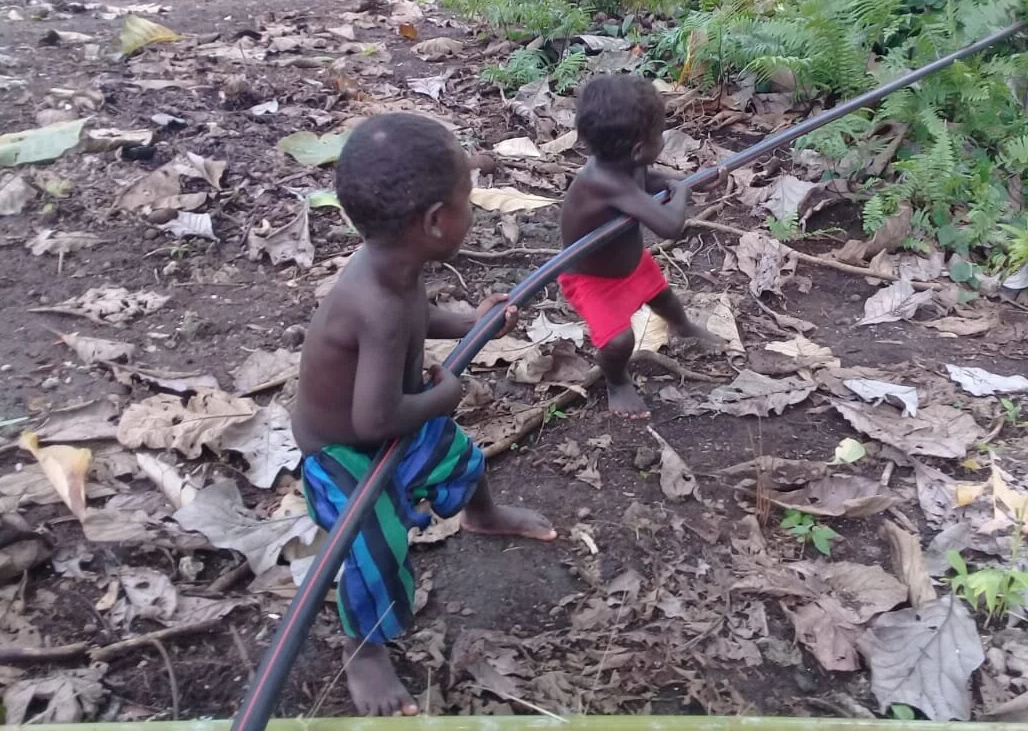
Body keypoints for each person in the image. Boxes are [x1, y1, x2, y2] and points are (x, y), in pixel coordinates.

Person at [292, 112, 556, 717]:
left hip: (395, 418)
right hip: (346, 452)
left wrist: (469, 323)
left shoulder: (394, 266)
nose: (474, 211)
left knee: (461, 457)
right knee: (371, 549)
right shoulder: (376, 303)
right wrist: (444, 397)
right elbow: (374, 420)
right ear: (437, 221)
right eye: (468, 201)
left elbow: (419, 317)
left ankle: (481, 515)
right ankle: (363, 649)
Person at [559, 75, 724, 420]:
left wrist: (685, 182)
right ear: (638, 148)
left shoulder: (622, 163)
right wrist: (683, 193)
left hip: (630, 261)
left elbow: (646, 181)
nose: (663, 138)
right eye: (660, 133)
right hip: (593, 280)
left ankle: (682, 327)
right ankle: (616, 381)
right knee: (619, 342)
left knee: (662, 295)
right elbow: (670, 226)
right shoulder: (604, 182)